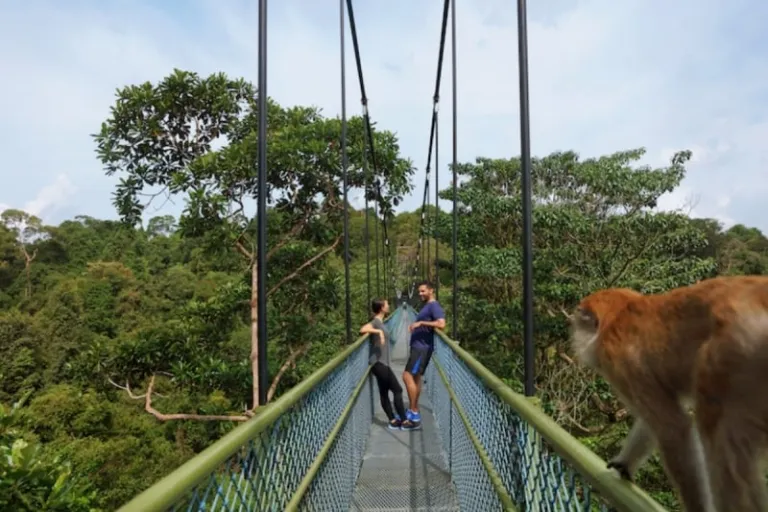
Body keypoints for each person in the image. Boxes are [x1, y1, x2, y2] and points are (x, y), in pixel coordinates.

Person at [401, 280, 445, 431]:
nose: (420, 294)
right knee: (415, 378)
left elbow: (441, 324)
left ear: (431, 291)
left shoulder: (434, 306)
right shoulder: (427, 306)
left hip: (422, 348)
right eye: (419, 291)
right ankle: (414, 411)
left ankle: (414, 414)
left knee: (406, 376)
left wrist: (421, 324)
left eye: (423, 291)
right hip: (418, 347)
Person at [360, 298, 407, 430]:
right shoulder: (375, 322)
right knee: (398, 390)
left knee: (384, 392)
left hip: (381, 362)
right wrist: (379, 332)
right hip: (379, 364)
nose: (389, 306)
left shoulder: (381, 321)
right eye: (387, 304)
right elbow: (363, 329)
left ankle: (392, 420)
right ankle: (404, 421)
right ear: (381, 308)